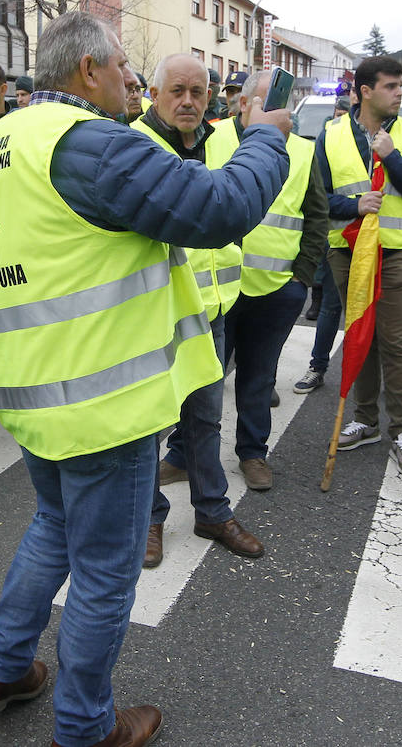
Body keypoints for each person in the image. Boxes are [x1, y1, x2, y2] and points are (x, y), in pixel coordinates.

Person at [0, 11, 291, 747]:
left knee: (54, 528)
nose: (132, 81)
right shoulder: (87, 141)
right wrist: (266, 135)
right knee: (105, 570)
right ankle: (84, 727)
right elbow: (221, 207)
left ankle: (2, 668)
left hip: (32, 395)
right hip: (105, 400)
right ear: (88, 70)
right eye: (125, 68)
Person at [132, 52, 263, 562]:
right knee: (150, 423)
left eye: (198, 92)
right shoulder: (135, 145)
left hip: (209, 310)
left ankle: (212, 512)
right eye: (177, 92)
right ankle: (149, 519)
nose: (189, 101)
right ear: (156, 95)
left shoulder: (222, 142)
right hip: (152, 314)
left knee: (205, 419)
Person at [316, 55, 402, 475]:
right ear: (365, 91)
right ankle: (365, 419)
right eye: (390, 86)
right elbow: (315, 201)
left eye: (401, 85)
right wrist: (353, 205)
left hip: (395, 252)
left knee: (393, 343)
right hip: (347, 251)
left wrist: (393, 159)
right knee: (360, 336)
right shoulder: (331, 134)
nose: (399, 92)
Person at [216, 69, 328, 490]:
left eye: (284, 103)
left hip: (277, 288)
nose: (281, 114)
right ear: (243, 104)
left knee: (258, 377)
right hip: (217, 289)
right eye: (269, 103)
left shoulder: (302, 149)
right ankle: (185, 453)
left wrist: (301, 279)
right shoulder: (213, 139)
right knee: (202, 379)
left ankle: (252, 453)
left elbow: (316, 217)